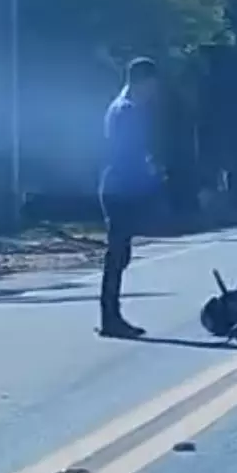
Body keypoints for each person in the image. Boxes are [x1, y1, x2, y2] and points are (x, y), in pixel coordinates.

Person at [98, 57, 161, 338]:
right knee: (117, 255)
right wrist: (150, 175)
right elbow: (129, 154)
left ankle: (112, 315)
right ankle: (110, 318)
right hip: (120, 187)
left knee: (120, 254)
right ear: (142, 81)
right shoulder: (127, 110)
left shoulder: (125, 107)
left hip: (120, 185)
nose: (154, 90)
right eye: (152, 84)